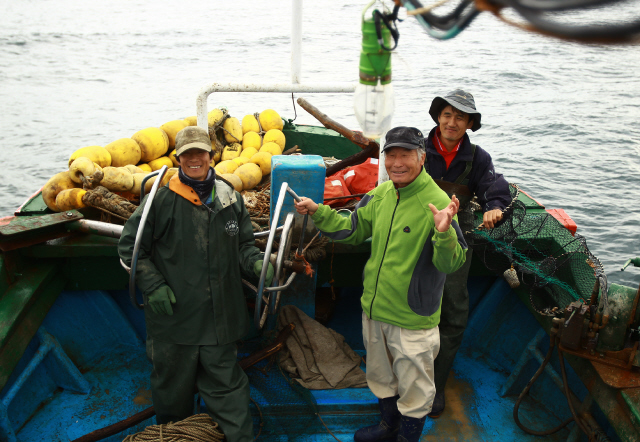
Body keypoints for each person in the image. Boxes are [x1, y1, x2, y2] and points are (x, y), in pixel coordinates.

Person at [294, 126, 468, 442]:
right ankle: (388, 427)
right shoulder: (382, 194)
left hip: (413, 318)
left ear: (422, 157)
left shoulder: (438, 202)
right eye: (391, 155)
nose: (397, 163)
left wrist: (443, 233)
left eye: (406, 155)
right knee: (382, 376)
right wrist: (319, 212)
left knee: (415, 390)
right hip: (376, 311)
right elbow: (351, 229)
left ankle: (406, 437)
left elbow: (451, 263)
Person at [118, 125, 273, 442]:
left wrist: (256, 263)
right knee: (172, 396)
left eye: (200, 153)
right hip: (175, 322)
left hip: (221, 321)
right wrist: (153, 284)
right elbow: (131, 249)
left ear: (211, 156)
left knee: (230, 394)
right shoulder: (159, 201)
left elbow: (244, 244)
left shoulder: (230, 197)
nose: (194, 159)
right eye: (187, 154)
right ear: (177, 158)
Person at [424, 89, 511, 418]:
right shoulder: (417, 147)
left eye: (460, 116)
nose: (452, 121)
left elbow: (494, 189)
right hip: (418, 227)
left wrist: (494, 208)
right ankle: (404, 377)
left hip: (458, 231)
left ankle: (436, 384)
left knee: (454, 310)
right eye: (447, 114)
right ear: (438, 117)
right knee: (407, 302)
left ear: (470, 123)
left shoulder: (478, 157)